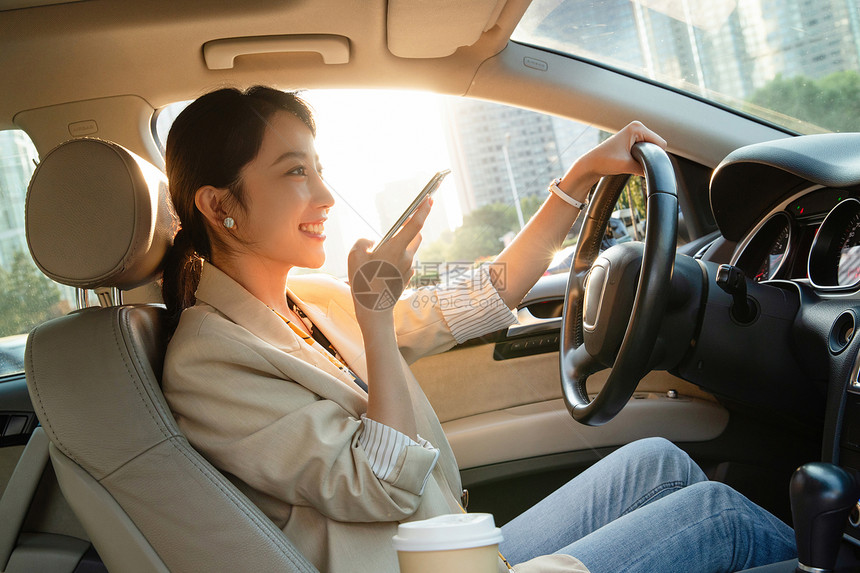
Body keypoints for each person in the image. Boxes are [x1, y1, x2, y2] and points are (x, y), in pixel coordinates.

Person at [160, 86, 797, 573]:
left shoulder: (310, 300)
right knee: (717, 517)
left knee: (657, 462)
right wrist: (377, 322)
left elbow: (477, 301)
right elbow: (377, 487)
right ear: (220, 207)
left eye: (319, 167)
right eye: (296, 172)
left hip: (455, 551)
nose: (325, 194)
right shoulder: (207, 364)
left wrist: (578, 179)